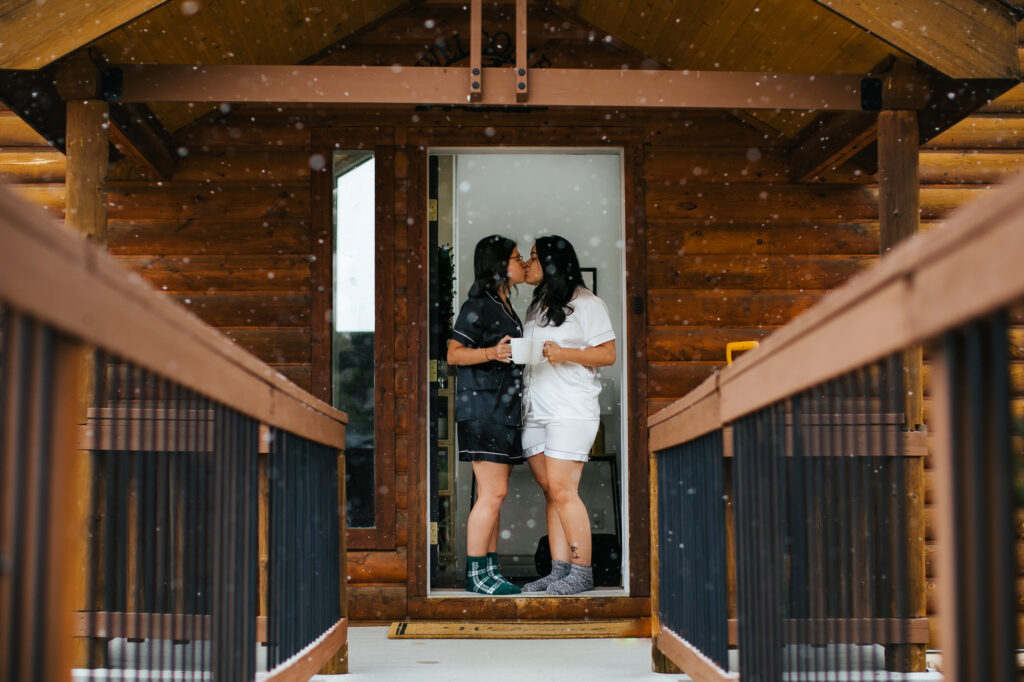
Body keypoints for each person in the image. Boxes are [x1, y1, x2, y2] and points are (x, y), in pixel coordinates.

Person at [520, 235, 616, 595]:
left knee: (563, 489)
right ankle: (558, 571)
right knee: (551, 491)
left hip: (570, 409)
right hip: (536, 410)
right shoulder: (539, 304)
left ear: (552, 262)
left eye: (533, 258)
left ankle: (581, 570)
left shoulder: (587, 303)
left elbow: (607, 354)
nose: (528, 264)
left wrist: (565, 354)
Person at [447, 235, 528, 595]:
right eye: (515, 257)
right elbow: (454, 354)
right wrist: (491, 354)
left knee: (495, 493)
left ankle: (490, 570)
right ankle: (476, 575)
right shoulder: (477, 304)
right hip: (483, 408)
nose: (522, 261)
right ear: (498, 266)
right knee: (492, 494)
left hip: (504, 408)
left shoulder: (505, 304)